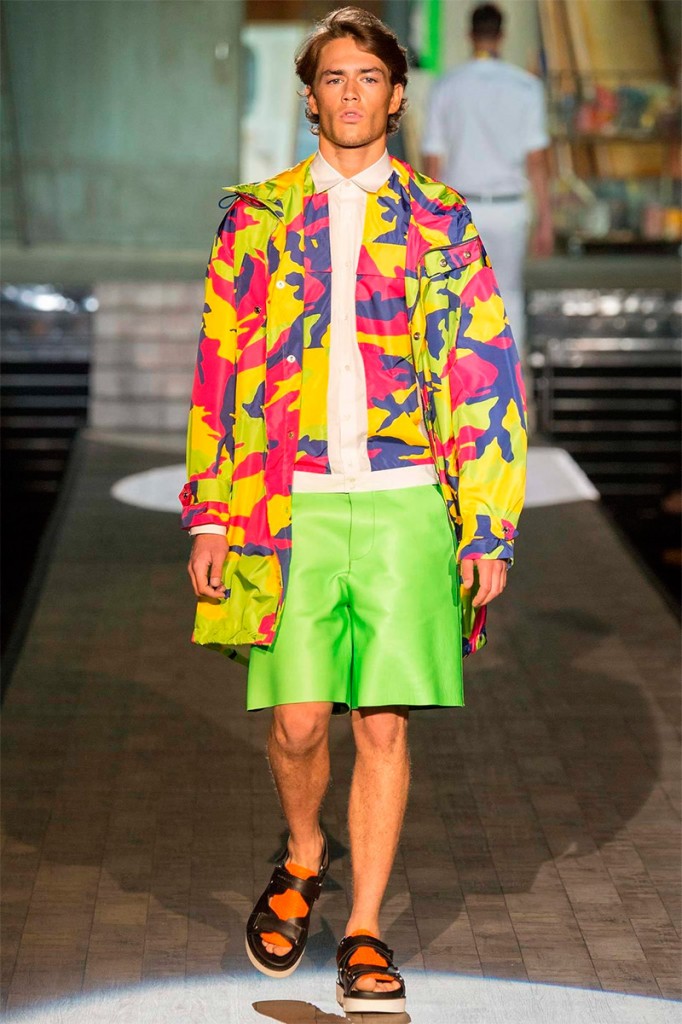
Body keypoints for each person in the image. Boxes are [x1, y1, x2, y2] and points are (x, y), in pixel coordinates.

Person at [181, 6, 526, 1015]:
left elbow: (480, 367)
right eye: (333, 78)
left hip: (404, 496)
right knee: (296, 724)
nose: (351, 94)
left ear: (397, 95)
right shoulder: (257, 218)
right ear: (310, 96)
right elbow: (220, 367)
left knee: (382, 724)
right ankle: (303, 855)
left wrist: (489, 523)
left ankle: (365, 929)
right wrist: (209, 511)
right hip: (285, 500)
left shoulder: (440, 219)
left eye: (368, 78)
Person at [421, 1, 554, 358]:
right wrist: (546, 217)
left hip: (460, 209)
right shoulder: (526, 87)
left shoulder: (448, 86)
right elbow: (537, 160)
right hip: (509, 209)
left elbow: (433, 157)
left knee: (457, 294)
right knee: (508, 293)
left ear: (469, 35)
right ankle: (511, 374)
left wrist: (426, 215)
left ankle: (461, 376)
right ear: (502, 35)